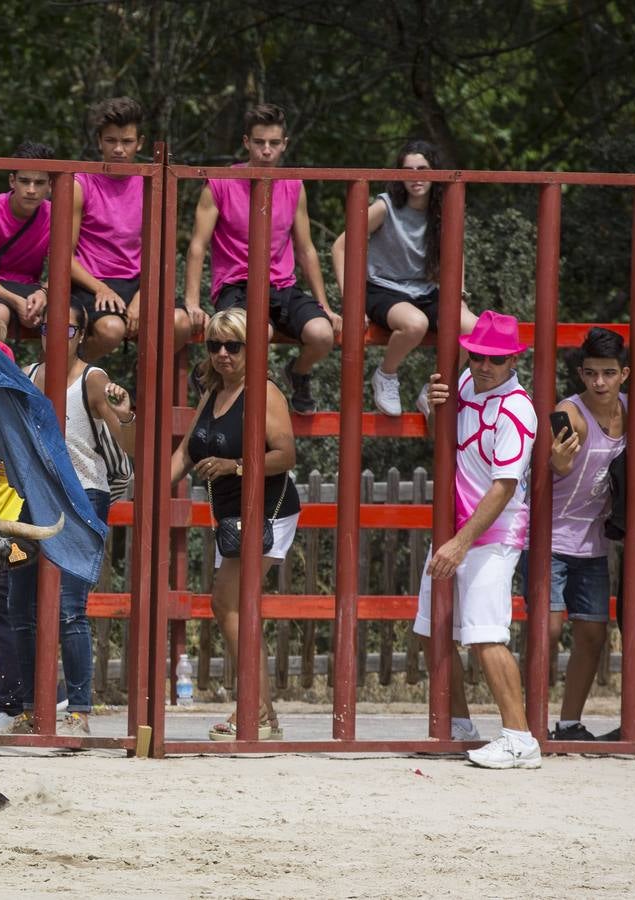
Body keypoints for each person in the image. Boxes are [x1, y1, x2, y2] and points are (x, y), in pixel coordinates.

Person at [413, 310, 540, 769]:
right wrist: (431, 403)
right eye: (478, 356)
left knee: (486, 636)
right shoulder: (464, 383)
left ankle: (520, 739)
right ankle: (459, 726)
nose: (485, 366)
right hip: (455, 533)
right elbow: (443, 438)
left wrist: (460, 543)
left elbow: (503, 488)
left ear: (513, 362)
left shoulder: (517, 409)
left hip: (491, 537)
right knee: (432, 631)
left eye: (496, 359)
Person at [170, 307, 300, 740]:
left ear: (252, 349)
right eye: (214, 345)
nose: (222, 354)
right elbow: (186, 452)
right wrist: (146, 489)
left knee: (228, 602)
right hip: (232, 516)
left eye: (233, 346)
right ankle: (263, 713)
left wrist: (235, 466)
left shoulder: (264, 392)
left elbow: (285, 454)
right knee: (234, 605)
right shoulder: (214, 391)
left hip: (267, 510)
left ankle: (257, 710)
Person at [9, 298, 135, 737]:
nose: (55, 336)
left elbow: (128, 445)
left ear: (81, 335)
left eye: (66, 329)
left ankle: (79, 709)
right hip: (35, 498)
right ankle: (32, 706)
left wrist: (126, 415)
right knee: (19, 604)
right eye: (47, 328)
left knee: (69, 609)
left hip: (83, 497)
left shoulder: (92, 379)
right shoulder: (28, 375)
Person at [184, 103, 340, 414]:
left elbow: (306, 249)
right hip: (237, 285)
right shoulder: (220, 182)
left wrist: (325, 304)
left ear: (284, 144)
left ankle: (298, 373)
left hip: (281, 286)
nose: (266, 150)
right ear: (246, 142)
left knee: (323, 334)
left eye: (273, 143)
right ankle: (207, 372)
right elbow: (197, 245)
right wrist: (192, 302)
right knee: (258, 332)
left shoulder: (293, 184)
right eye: (259, 142)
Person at [329, 140, 477, 416]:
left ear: (435, 173)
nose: (416, 177)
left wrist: (459, 295)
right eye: (409, 170)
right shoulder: (384, 206)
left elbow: (455, 254)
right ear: (399, 174)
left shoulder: (444, 210)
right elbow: (340, 246)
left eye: (423, 169)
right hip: (384, 288)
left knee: (472, 327)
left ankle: (435, 387)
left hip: (425, 290)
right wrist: (351, 302)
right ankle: (385, 375)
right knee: (415, 324)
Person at [542, 327, 627, 741]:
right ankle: (527, 721)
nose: (599, 382)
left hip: (593, 543)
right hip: (550, 540)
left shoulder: (632, 410)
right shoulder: (571, 413)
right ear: (580, 374)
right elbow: (552, 464)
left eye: (608, 373)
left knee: (593, 635)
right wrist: (557, 462)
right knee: (548, 632)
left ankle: (569, 724)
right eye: (591, 373)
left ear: (624, 374)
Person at [71, 97, 192, 361]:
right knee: (111, 329)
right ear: (99, 141)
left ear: (139, 143)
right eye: (110, 141)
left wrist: (142, 296)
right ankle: (73, 375)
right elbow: (63, 257)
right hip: (92, 282)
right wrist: (100, 288)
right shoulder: (81, 184)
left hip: (139, 281)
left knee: (180, 322)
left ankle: (145, 381)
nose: (118, 149)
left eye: (126, 142)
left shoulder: (153, 185)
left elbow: (160, 255)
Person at [0, 142, 54, 332]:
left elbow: (64, 269)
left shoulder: (56, 216)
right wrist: (16, 301)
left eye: (39, 183)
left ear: (50, 186)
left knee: (68, 316)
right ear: (12, 181)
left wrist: (43, 293)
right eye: (24, 181)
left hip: (33, 290)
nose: (31, 190)